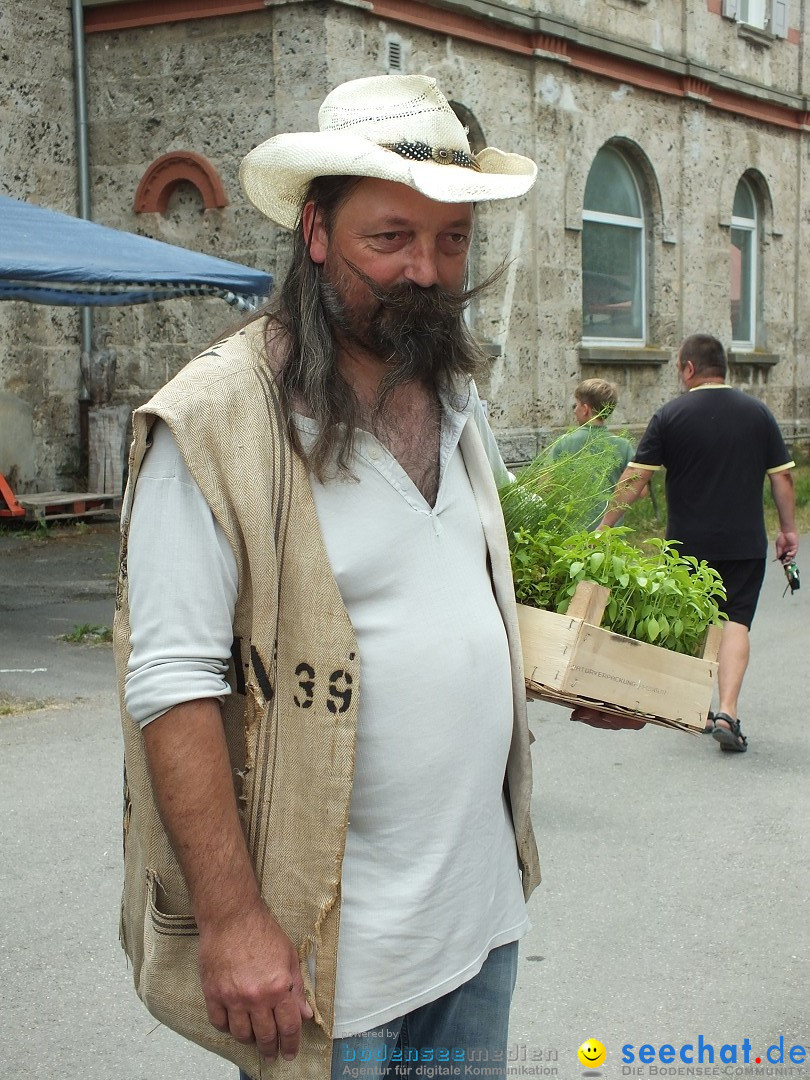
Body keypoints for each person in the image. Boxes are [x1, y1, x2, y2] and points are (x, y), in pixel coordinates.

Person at [113, 73, 640, 1080]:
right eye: (390, 239)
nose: (427, 273)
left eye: (451, 242)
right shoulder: (217, 425)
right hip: (330, 965)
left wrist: (580, 671)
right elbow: (172, 683)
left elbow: (447, 594)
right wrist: (232, 924)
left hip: (479, 925)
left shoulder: (450, 398)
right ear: (315, 233)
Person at [600, 333, 798, 753]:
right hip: (744, 544)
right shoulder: (758, 413)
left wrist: (603, 527)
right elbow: (781, 477)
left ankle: (698, 708)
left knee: (696, 619)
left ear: (689, 368)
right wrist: (788, 530)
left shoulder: (671, 414)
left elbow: (636, 480)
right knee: (736, 622)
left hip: (688, 545)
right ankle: (727, 710)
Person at [546, 378, 633, 530]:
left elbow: (546, 486)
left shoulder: (564, 442)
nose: (574, 410)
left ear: (585, 409)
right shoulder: (623, 446)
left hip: (572, 534)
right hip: (610, 535)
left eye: (576, 405)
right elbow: (641, 491)